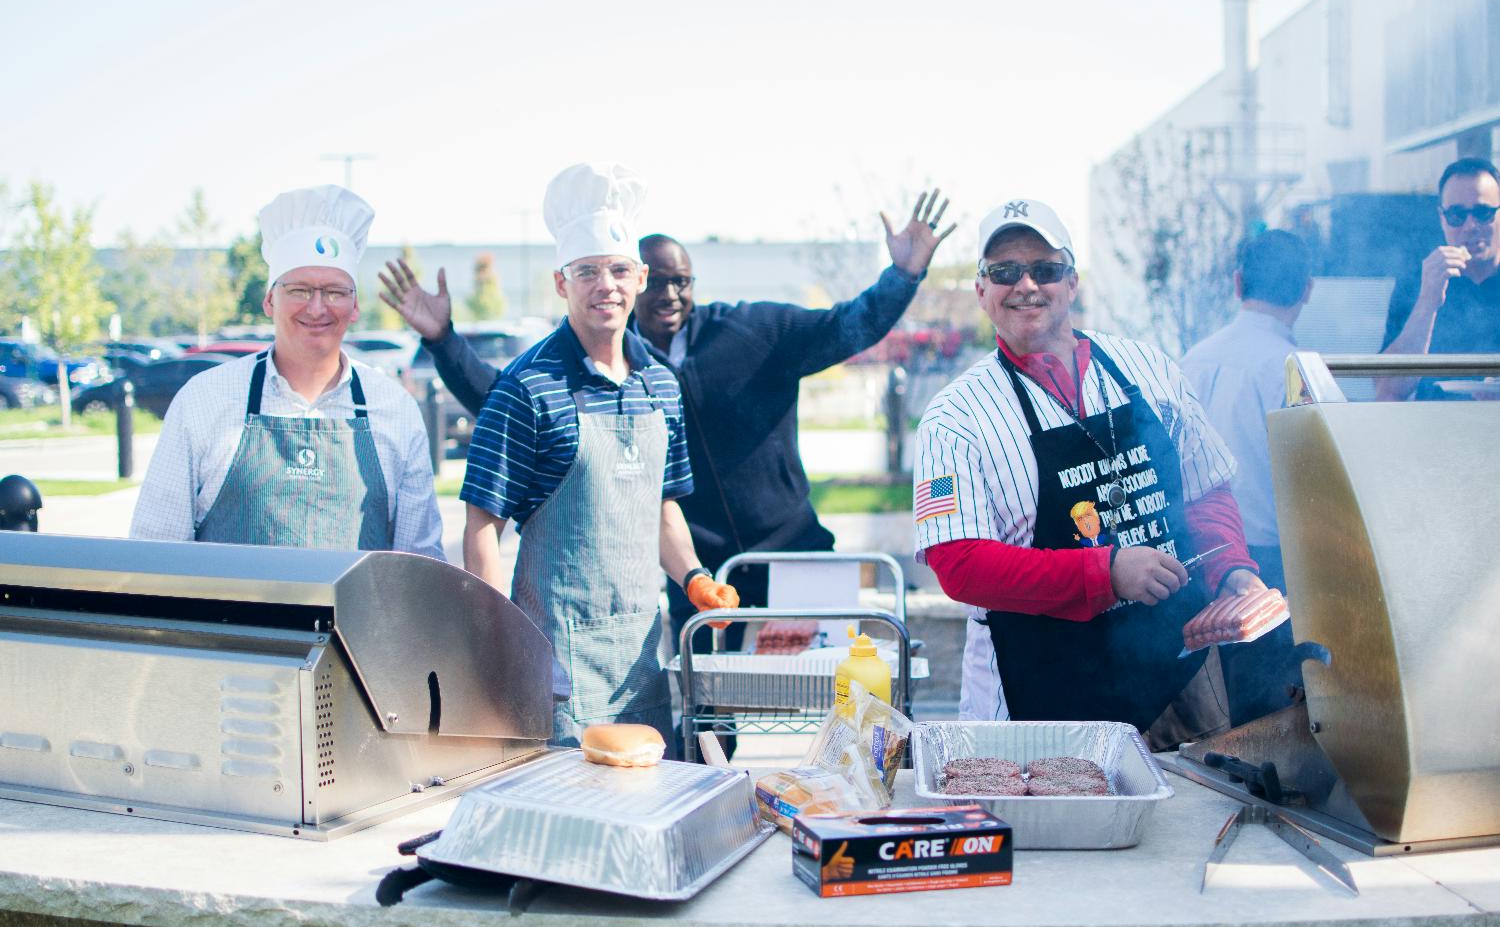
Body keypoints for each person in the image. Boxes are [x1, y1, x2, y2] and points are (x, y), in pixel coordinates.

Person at [383, 190, 955, 658]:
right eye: (655, 279)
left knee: (835, 695)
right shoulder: (607, 371)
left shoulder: (754, 332)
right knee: (710, 715)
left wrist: (902, 275)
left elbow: (847, 326)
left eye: (681, 280)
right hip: (694, 569)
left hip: (794, 555)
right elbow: (509, 401)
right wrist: (443, 342)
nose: (669, 293)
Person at [914, 198, 1263, 750]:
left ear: (1072, 281)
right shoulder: (956, 417)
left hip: (1181, 671)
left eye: (1045, 269)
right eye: (1004, 272)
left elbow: (1204, 490)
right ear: (982, 292)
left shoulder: (1148, 368)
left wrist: (1231, 571)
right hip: (1041, 690)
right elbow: (959, 565)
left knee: (1196, 818)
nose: (1026, 284)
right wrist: (1106, 573)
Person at [444, 161, 738, 746]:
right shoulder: (526, 388)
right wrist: (501, 641)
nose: (605, 285)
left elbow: (660, 507)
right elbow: (482, 523)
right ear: (561, 283)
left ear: (639, 278)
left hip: (638, 666)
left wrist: (695, 578)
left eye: (618, 270)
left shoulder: (661, 383)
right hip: (552, 669)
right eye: (586, 272)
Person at [130, 185, 443, 559]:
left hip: (356, 621)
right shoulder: (204, 401)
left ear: (355, 306)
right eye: (299, 289)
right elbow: (155, 551)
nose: (316, 308)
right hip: (231, 619)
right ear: (268, 300)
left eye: (334, 292)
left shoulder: (394, 409)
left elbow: (419, 564)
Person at [1181, 229, 1312, 724]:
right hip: (1268, 568)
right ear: (1307, 290)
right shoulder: (1296, 368)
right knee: (1268, 715)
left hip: (1195, 558)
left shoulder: (1191, 359)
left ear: (1237, 283)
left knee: (1211, 712)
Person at [1378, 156, 1500, 401]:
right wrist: (1428, 300)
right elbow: (1388, 389)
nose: (1470, 226)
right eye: (1457, 215)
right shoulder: (1418, 283)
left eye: (1483, 213)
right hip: (1434, 430)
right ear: (1442, 218)